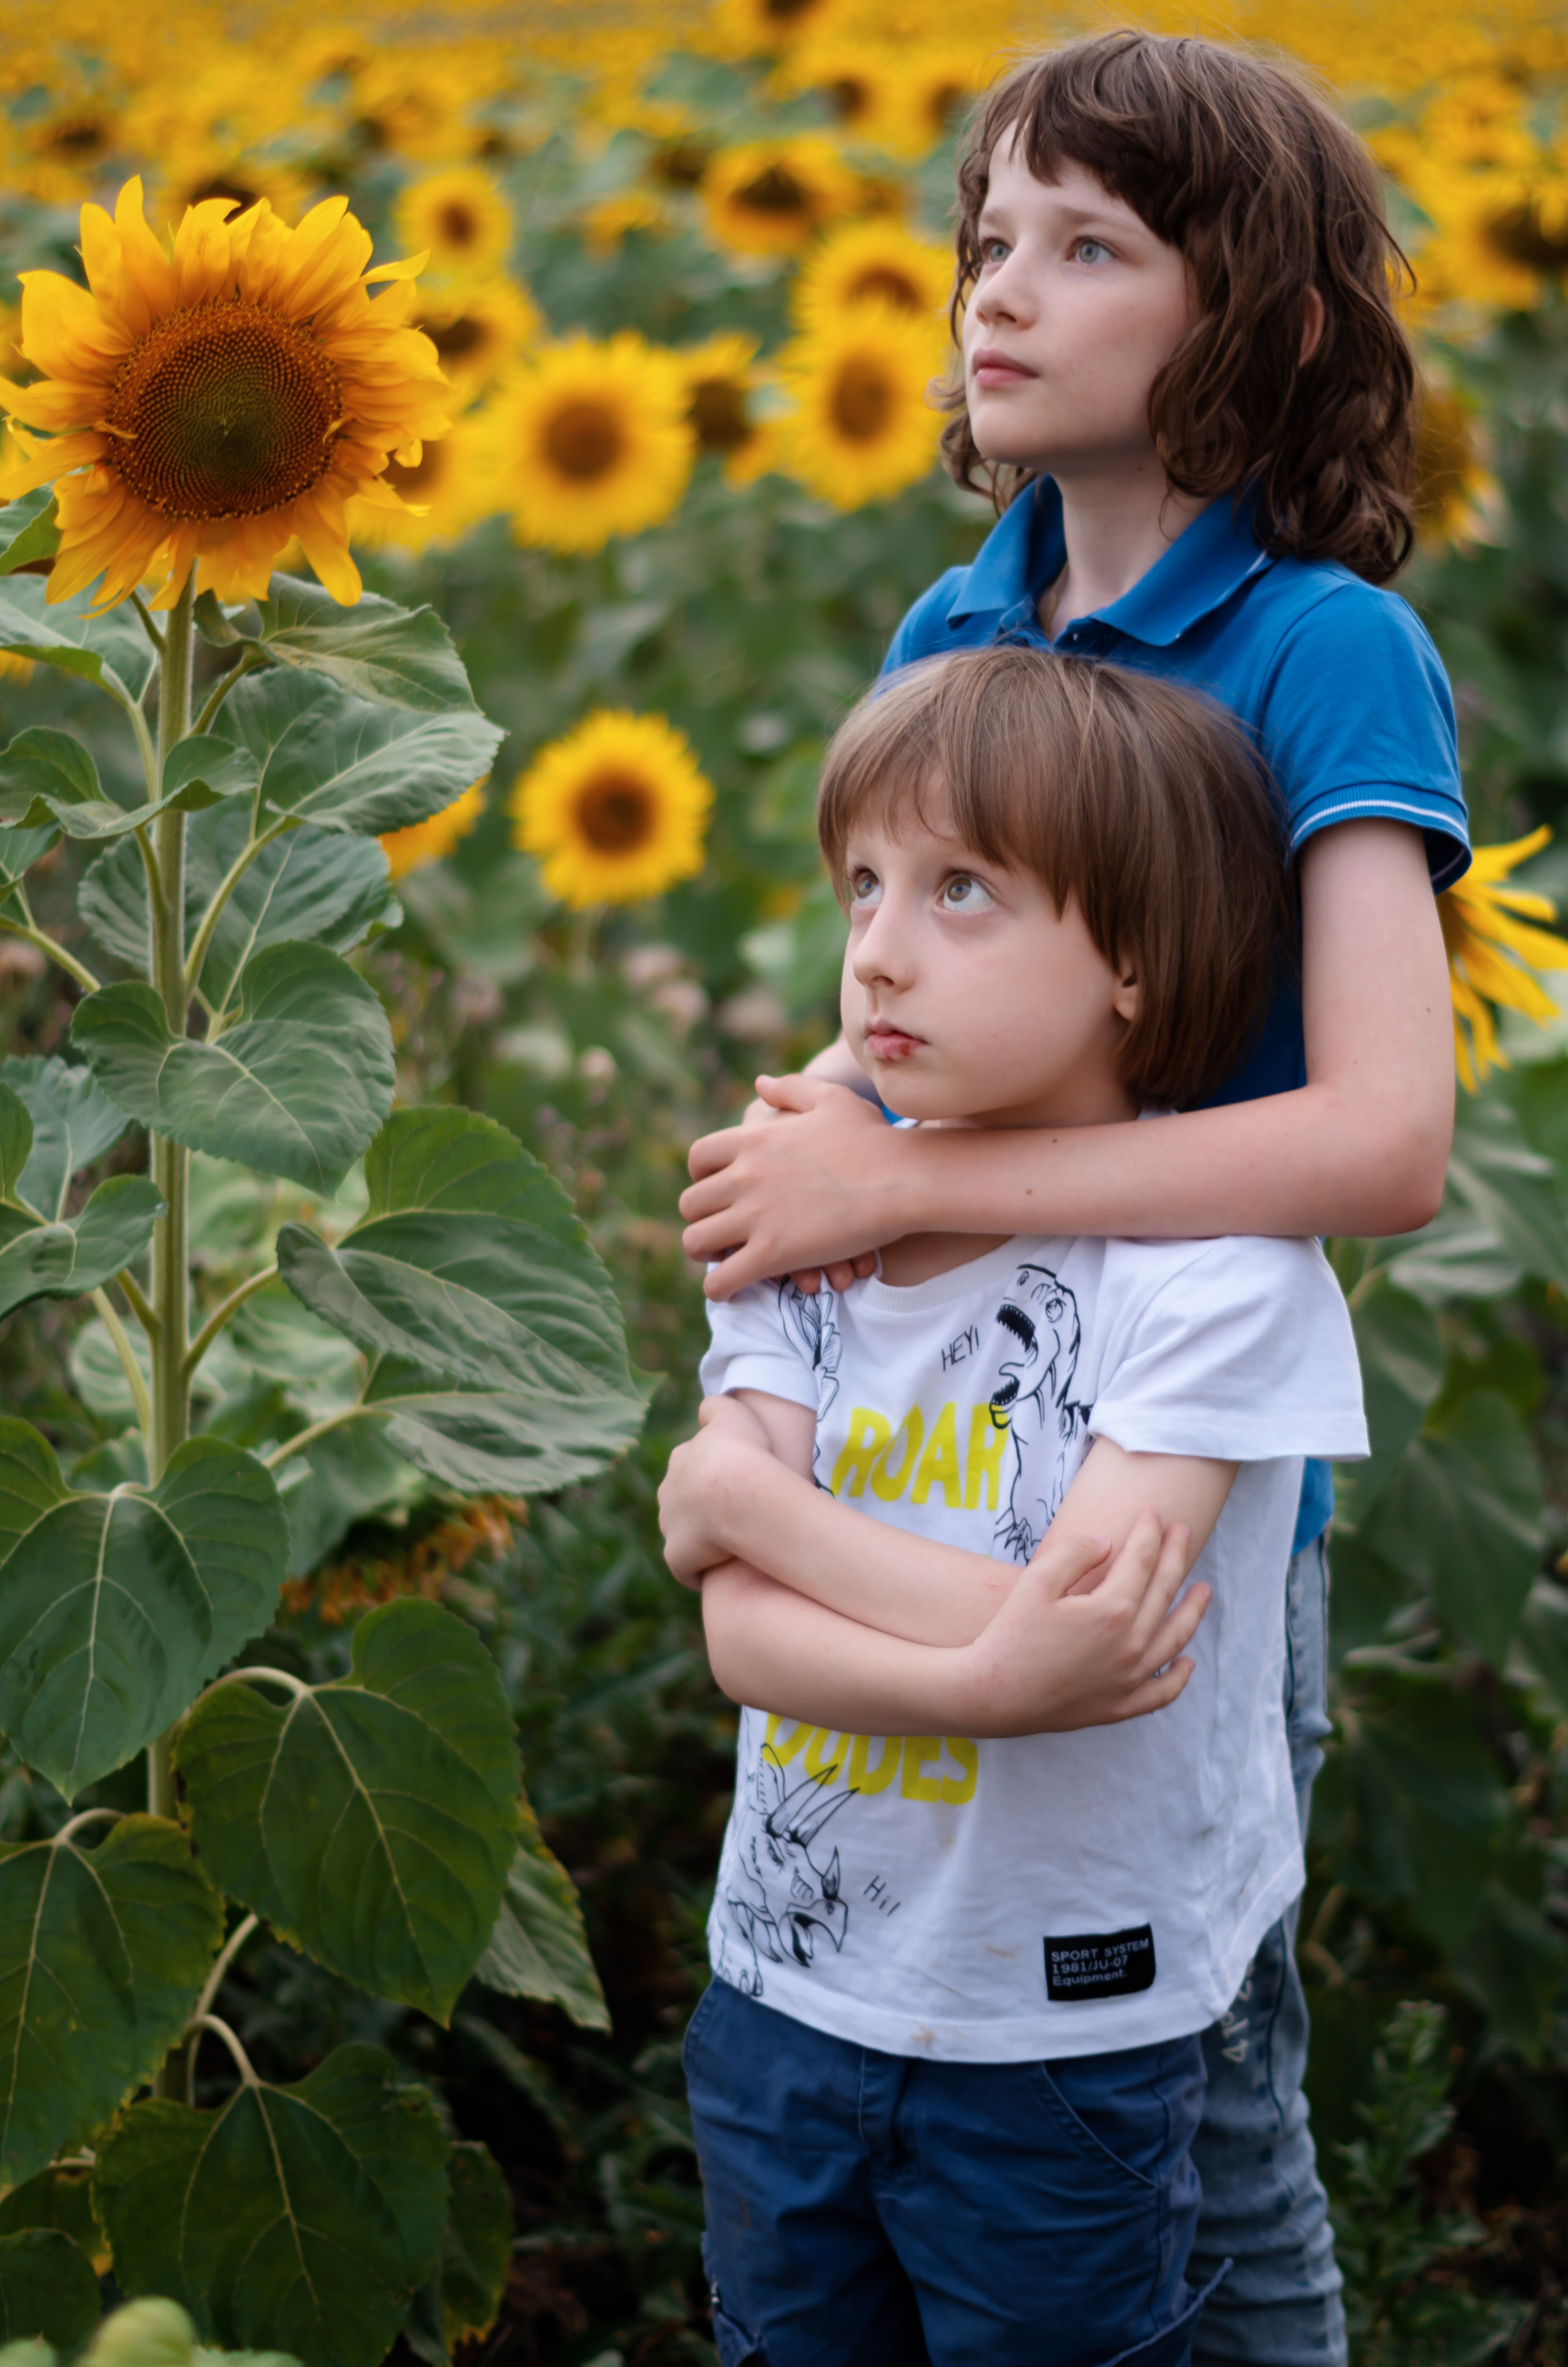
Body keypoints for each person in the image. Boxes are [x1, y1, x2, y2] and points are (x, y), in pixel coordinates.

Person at [676, 32, 1469, 2365]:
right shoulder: (960, 623)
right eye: (988, 241)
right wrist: (808, 1141)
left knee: (1196, 2120)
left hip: (1174, 1488)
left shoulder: (1326, 646)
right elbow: (893, 1011)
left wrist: (939, 1180)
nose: (998, 293)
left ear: (1275, 326)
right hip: (924, 1436)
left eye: (1092, 246)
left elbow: (1384, 1144)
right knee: (934, 2076)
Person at [660, 644, 1368, 2367]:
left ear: (1131, 958)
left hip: (1060, 2031)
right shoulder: (804, 1231)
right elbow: (740, 1637)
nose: (880, 947)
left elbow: (1085, 1625)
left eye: (962, 890)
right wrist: (978, 1668)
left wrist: (754, 1501)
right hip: (783, 1997)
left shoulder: (1212, 1282)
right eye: (866, 886)